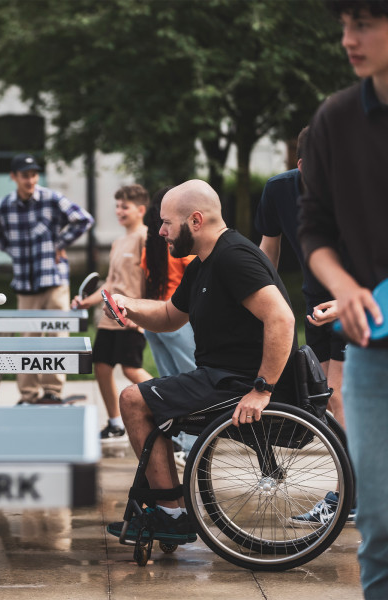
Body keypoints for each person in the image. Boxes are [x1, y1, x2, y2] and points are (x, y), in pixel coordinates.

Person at [105, 179, 296, 543]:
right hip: (218, 377)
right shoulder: (204, 263)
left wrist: (262, 389)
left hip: (235, 382)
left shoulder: (233, 258)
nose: (160, 231)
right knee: (143, 399)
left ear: (195, 220)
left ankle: (172, 513)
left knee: (132, 399)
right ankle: (168, 507)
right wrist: (126, 304)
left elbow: (282, 318)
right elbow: (168, 316)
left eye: (166, 223)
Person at [298, 2, 388, 596]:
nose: (348, 39)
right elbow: (315, 228)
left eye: (366, 23)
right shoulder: (335, 118)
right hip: (373, 350)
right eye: (344, 25)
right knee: (379, 525)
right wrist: (345, 284)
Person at [256, 127, 346, 428]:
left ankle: (360, 473)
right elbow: (269, 246)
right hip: (316, 301)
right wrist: (258, 296)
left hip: (357, 299)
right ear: (303, 166)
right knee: (324, 395)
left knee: (341, 394)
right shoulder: (279, 190)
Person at [0, 153, 94, 405]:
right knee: (28, 339)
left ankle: (52, 391)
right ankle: (28, 394)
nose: (30, 180)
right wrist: (15, 251)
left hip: (54, 278)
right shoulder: (4, 206)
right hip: (25, 283)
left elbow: (84, 219)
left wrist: (59, 243)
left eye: (34, 174)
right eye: (25, 175)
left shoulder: (51, 199)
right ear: (14, 177)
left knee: (56, 337)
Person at [72, 184, 153, 442]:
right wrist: (87, 302)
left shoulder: (146, 238)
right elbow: (110, 283)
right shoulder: (118, 242)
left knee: (131, 369)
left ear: (141, 209)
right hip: (109, 319)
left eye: (124, 206)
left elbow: (152, 280)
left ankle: (172, 408)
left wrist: (141, 314)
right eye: (117, 206)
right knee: (102, 367)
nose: (119, 211)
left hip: (132, 318)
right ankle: (115, 423)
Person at [141, 186, 197, 464]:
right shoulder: (180, 250)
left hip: (152, 320)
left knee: (170, 382)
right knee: (192, 381)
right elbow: (195, 275)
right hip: (175, 319)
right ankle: (193, 445)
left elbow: (145, 284)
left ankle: (176, 440)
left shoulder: (149, 249)